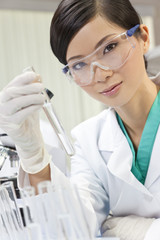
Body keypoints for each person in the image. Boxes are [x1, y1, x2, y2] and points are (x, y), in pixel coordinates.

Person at [0, 0, 160, 239]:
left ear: (143, 38)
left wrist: (143, 231)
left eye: (109, 47)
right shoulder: (88, 140)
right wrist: (34, 158)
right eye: (80, 64)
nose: (101, 74)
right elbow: (70, 229)